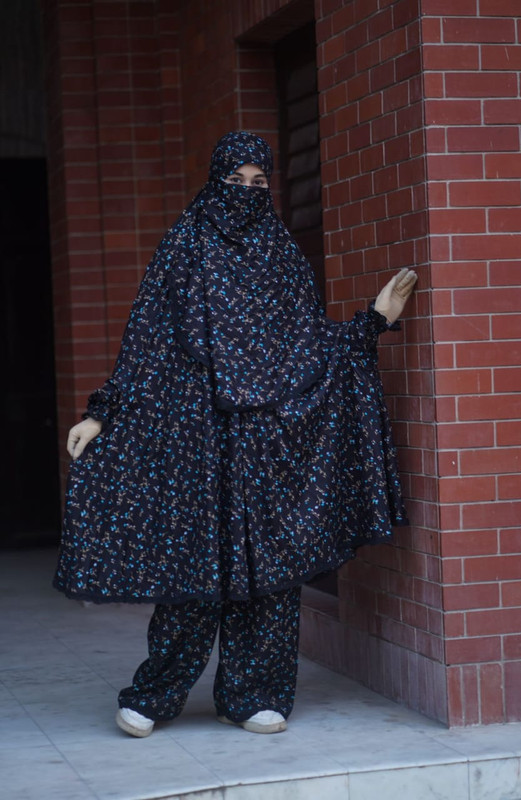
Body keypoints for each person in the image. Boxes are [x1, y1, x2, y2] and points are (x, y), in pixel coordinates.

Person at [54, 131, 417, 738]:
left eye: (259, 183)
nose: (246, 193)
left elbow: (307, 344)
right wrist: (102, 413)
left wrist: (371, 323)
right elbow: (146, 339)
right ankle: (156, 693)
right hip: (197, 436)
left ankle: (252, 696)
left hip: (266, 441)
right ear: (214, 182)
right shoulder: (184, 246)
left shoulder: (281, 255)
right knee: (195, 572)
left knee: (268, 574)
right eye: (234, 181)